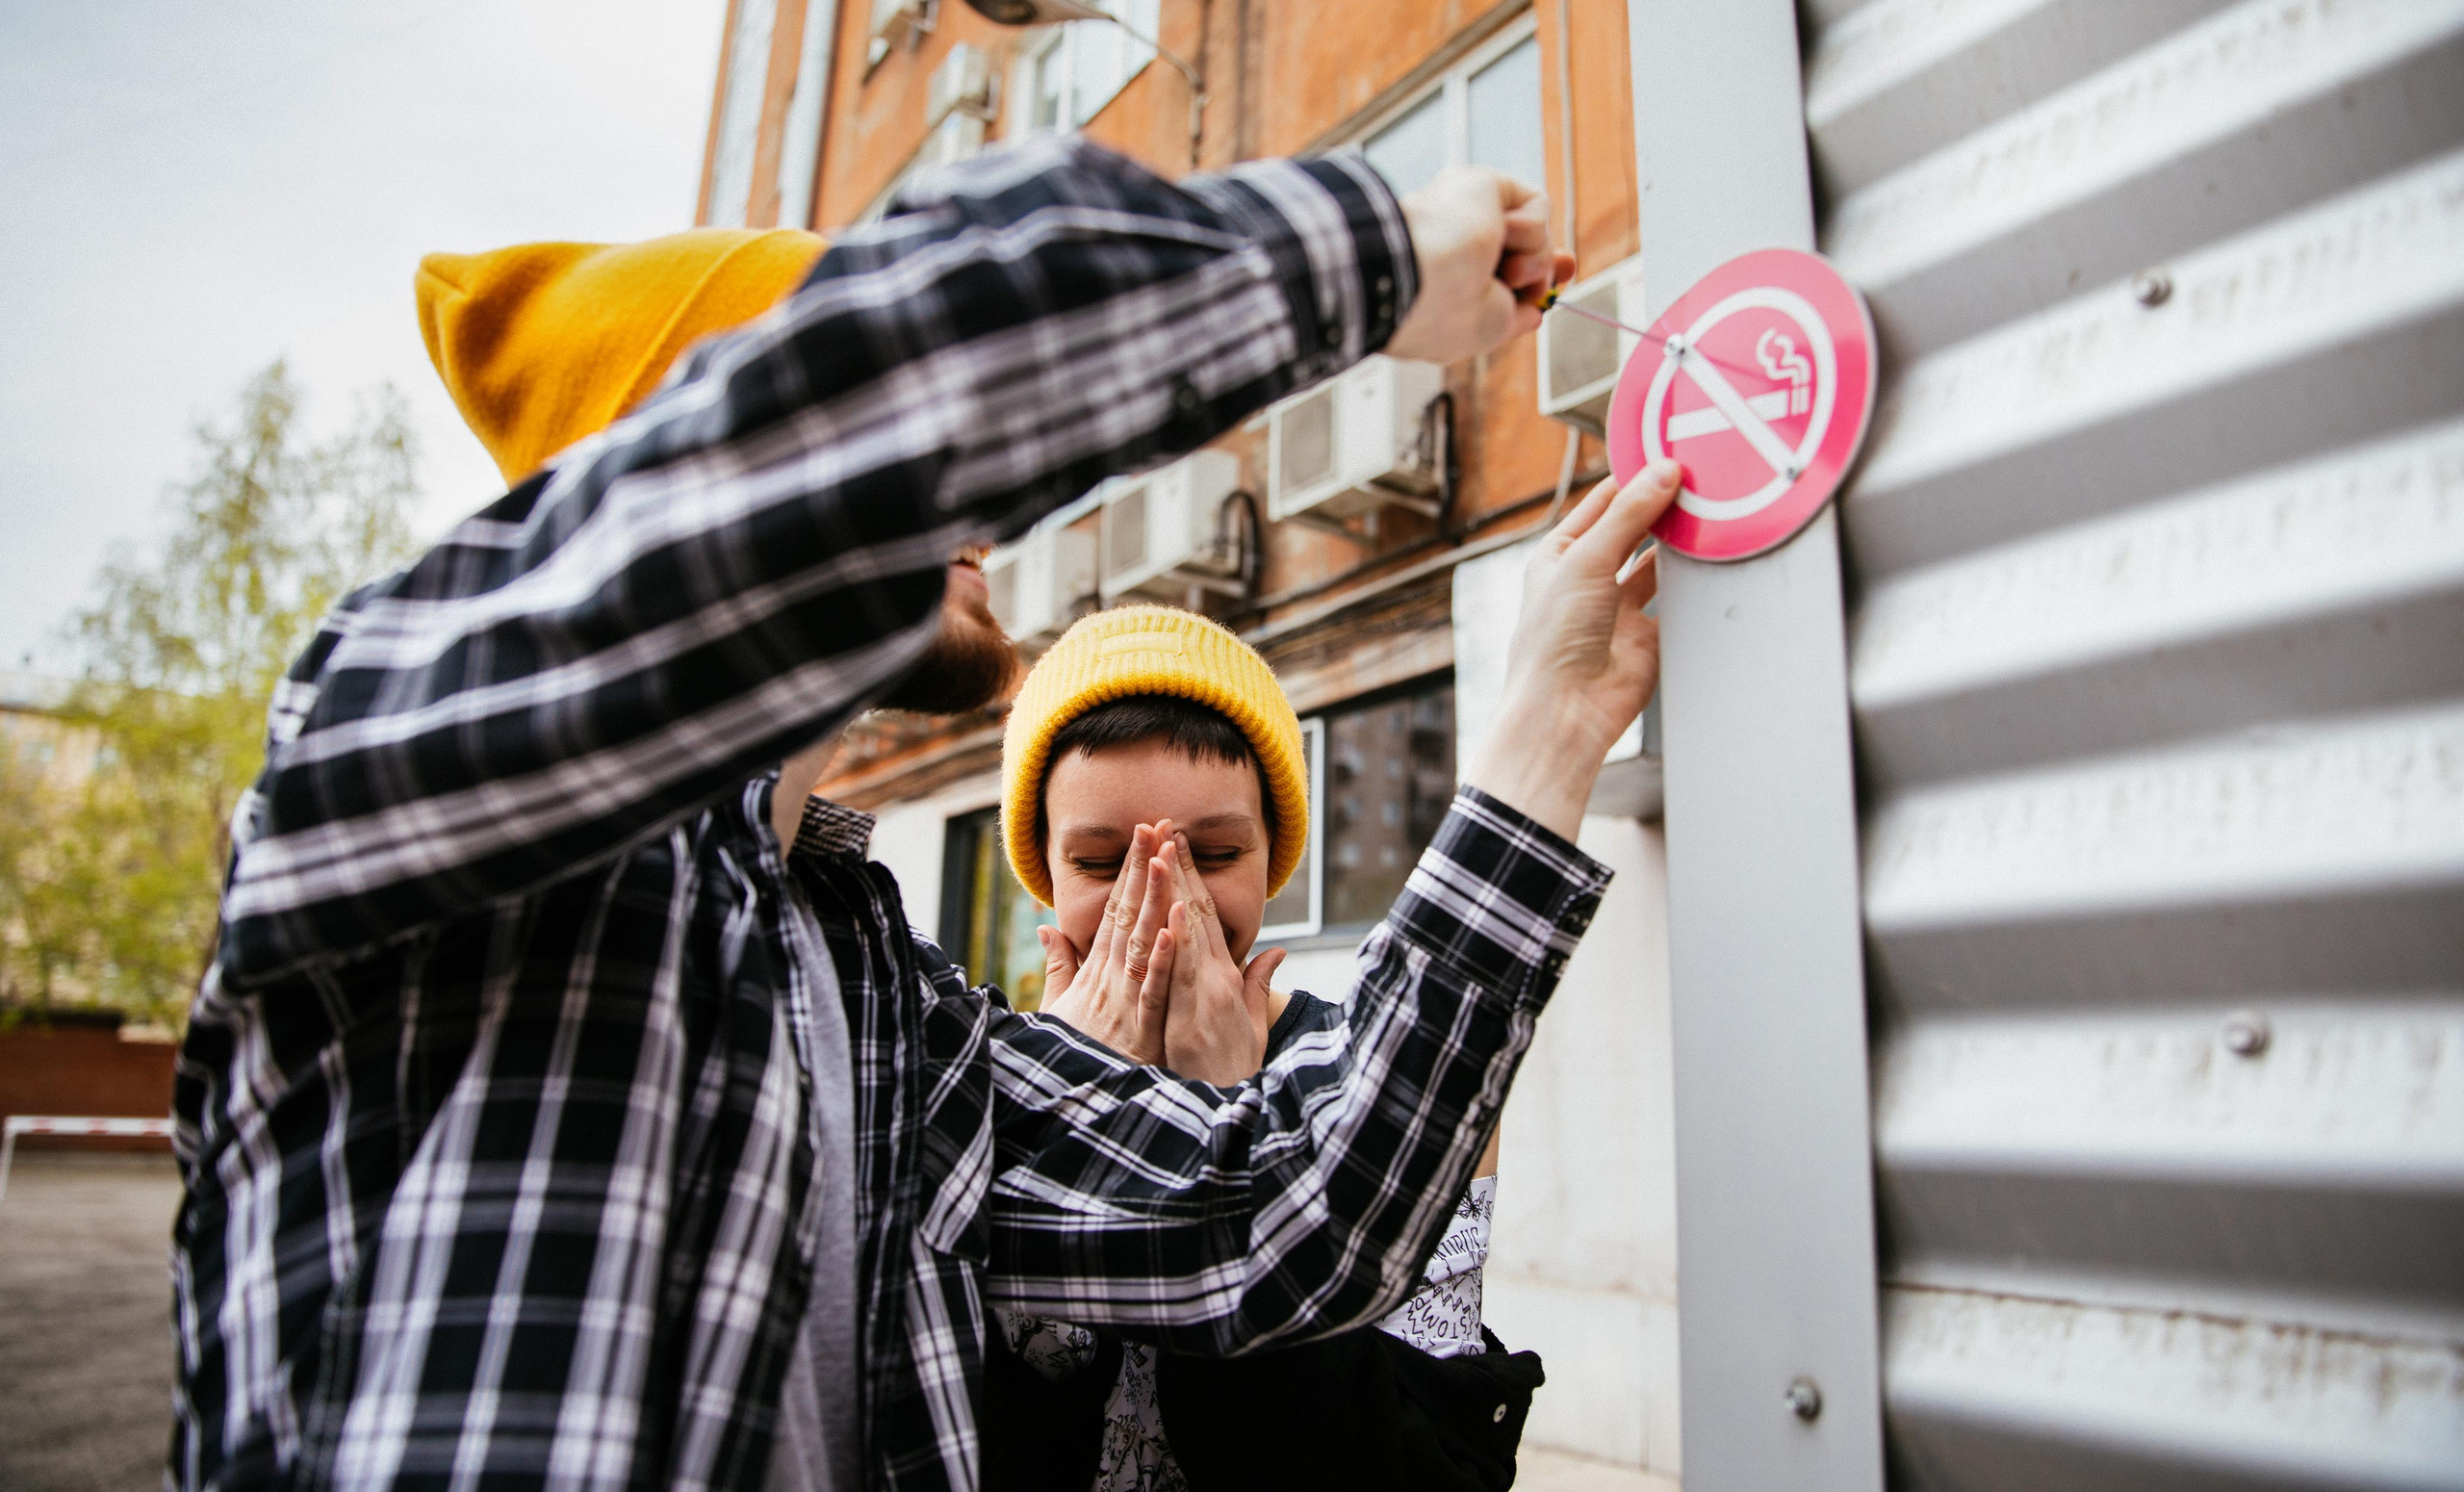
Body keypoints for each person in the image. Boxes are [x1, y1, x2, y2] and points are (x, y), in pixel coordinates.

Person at [167, 136, 1681, 1492]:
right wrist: (1378, 252)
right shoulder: (419, 731)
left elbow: (1302, 1212)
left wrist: (1550, 726)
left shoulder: (871, 985)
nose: (983, 507)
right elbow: (916, 375)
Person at [980, 605, 1539, 1492]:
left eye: (1213, 851)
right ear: (1043, 870)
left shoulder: (1385, 1072)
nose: (1161, 895)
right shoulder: (972, 1073)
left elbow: (1426, 1460)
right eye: (1100, 863)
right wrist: (1063, 1096)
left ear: (1273, 858)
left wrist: (1237, 1129)